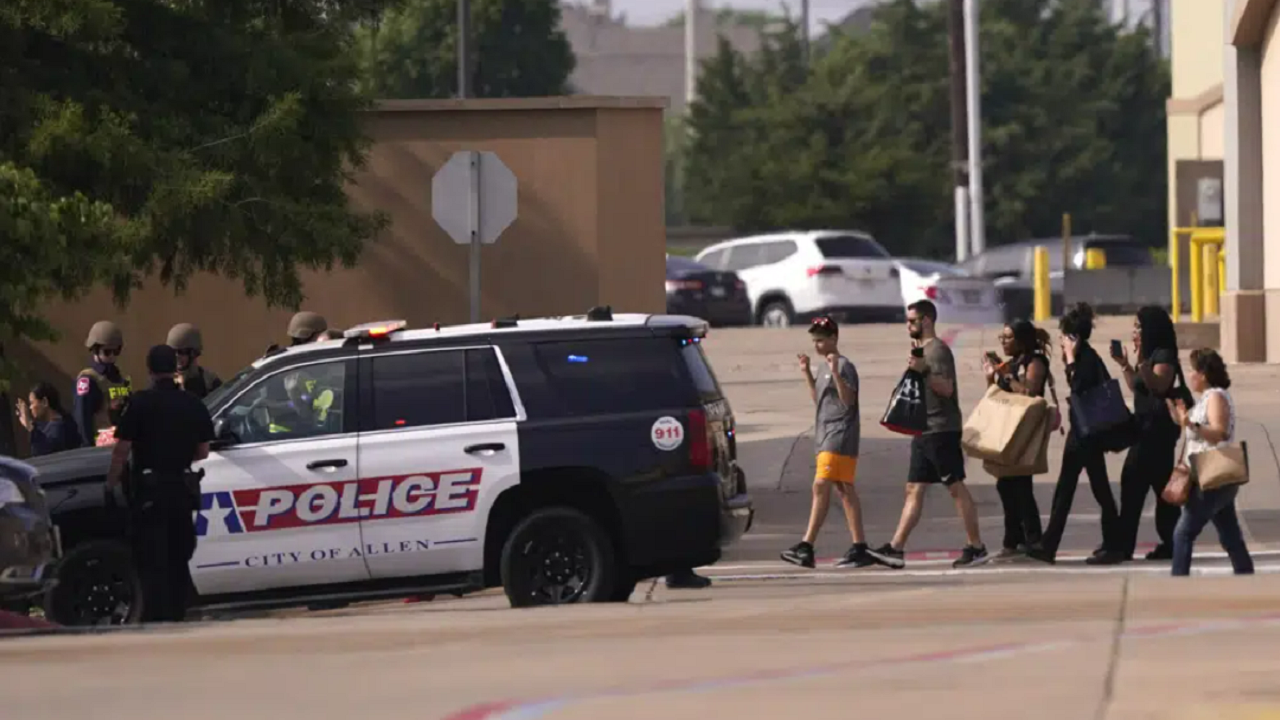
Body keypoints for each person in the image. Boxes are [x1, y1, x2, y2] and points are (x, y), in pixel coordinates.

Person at [868, 300, 989, 569]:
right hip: (923, 430)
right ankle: (896, 548)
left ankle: (976, 546)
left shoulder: (939, 351)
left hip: (941, 430)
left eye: (912, 321)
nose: (908, 325)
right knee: (913, 488)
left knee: (955, 487)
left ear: (926, 320)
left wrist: (923, 370)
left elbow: (946, 388)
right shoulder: (922, 350)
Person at [106, 345, 215, 623]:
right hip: (180, 487)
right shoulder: (192, 403)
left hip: (149, 492)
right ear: (174, 368)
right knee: (179, 556)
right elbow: (203, 452)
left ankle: (156, 619)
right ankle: (179, 615)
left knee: (152, 559)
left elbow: (121, 450)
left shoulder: (140, 403)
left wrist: (110, 485)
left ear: (150, 371)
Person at [1029, 303, 1122, 565]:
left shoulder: (1086, 359)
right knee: (1072, 490)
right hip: (1083, 433)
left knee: (1088, 490)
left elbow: (1078, 387)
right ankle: (1052, 545)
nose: (1060, 341)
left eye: (1064, 336)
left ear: (1074, 338)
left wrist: (1070, 358)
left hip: (1086, 436)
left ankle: (1109, 546)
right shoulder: (1087, 357)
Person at [781, 316, 871, 569]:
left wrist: (834, 372)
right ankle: (859, 546)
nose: (817, 345)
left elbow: (848, 400)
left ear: (834, 338)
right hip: (825, 434)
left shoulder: (843, 366)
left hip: (839, 434)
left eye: (821, 340)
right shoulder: (823, 367)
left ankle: (806, 545)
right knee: (844, 489)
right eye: (814, 341)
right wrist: (807, 372)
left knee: (821, 485)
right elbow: (819, 399)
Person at [1167, 349, 1253, 577]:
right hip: (1213, 477)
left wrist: (1191, 425)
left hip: (1211, 476)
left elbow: (1220, 431)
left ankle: (1178, 584)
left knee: (1183, 533)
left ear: (1203, 374)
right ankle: (1246, 576)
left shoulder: (1216, 396)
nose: (1190, 374)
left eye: (1193, 370)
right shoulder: (1207, 397)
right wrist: (1182, 419)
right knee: (1230, 536)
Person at [1111, 305, 1182, 562]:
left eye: (1139, 326)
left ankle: (1124, 545)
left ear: (1152, 328)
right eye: (1134, 326)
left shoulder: (1164, 355)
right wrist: (1125, 365)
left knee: (1133, 482)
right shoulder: (1150, 354)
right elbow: (1138, 387)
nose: (1135, 331)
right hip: (1145, 429)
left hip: (1158, 432)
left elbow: (1159, 385)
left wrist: (1141, 362)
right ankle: (1173, 543)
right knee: (1161, 491)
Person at [983, 319, 1050, 559]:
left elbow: (1030, 393)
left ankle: (1033, 539)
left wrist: (1008, 376)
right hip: (1007, 430)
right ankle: (1014, 539)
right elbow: (996, 396)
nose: (1003, 342)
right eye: (1002, 337)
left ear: (1022, 340)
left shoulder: (1035, 362)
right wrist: (991, 377)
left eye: (1008, 338)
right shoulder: (1010, 364)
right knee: (1005, 485)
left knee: (1021, 486)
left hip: (1024, 432)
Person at [73, 321, 133, 447]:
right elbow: (82, 420)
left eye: (116, 351)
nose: (112, 356)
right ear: (95, 350)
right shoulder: (88, 380)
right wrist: (88, 450)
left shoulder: (120, 379)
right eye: (107, 352)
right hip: (99, 450)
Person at [15, 382, 82, 456]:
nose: (30, 408)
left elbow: (44, 452)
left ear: (44, 402)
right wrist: (29, 423)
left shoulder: (59, 427)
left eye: (32, 403)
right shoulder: (58, 423)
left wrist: (29, 426)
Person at [167, 323, 223, 400]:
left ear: (193, 353)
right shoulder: (164, 381)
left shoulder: (209, 382)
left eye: (182, 351)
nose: (177, 356)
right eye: (172, 352)